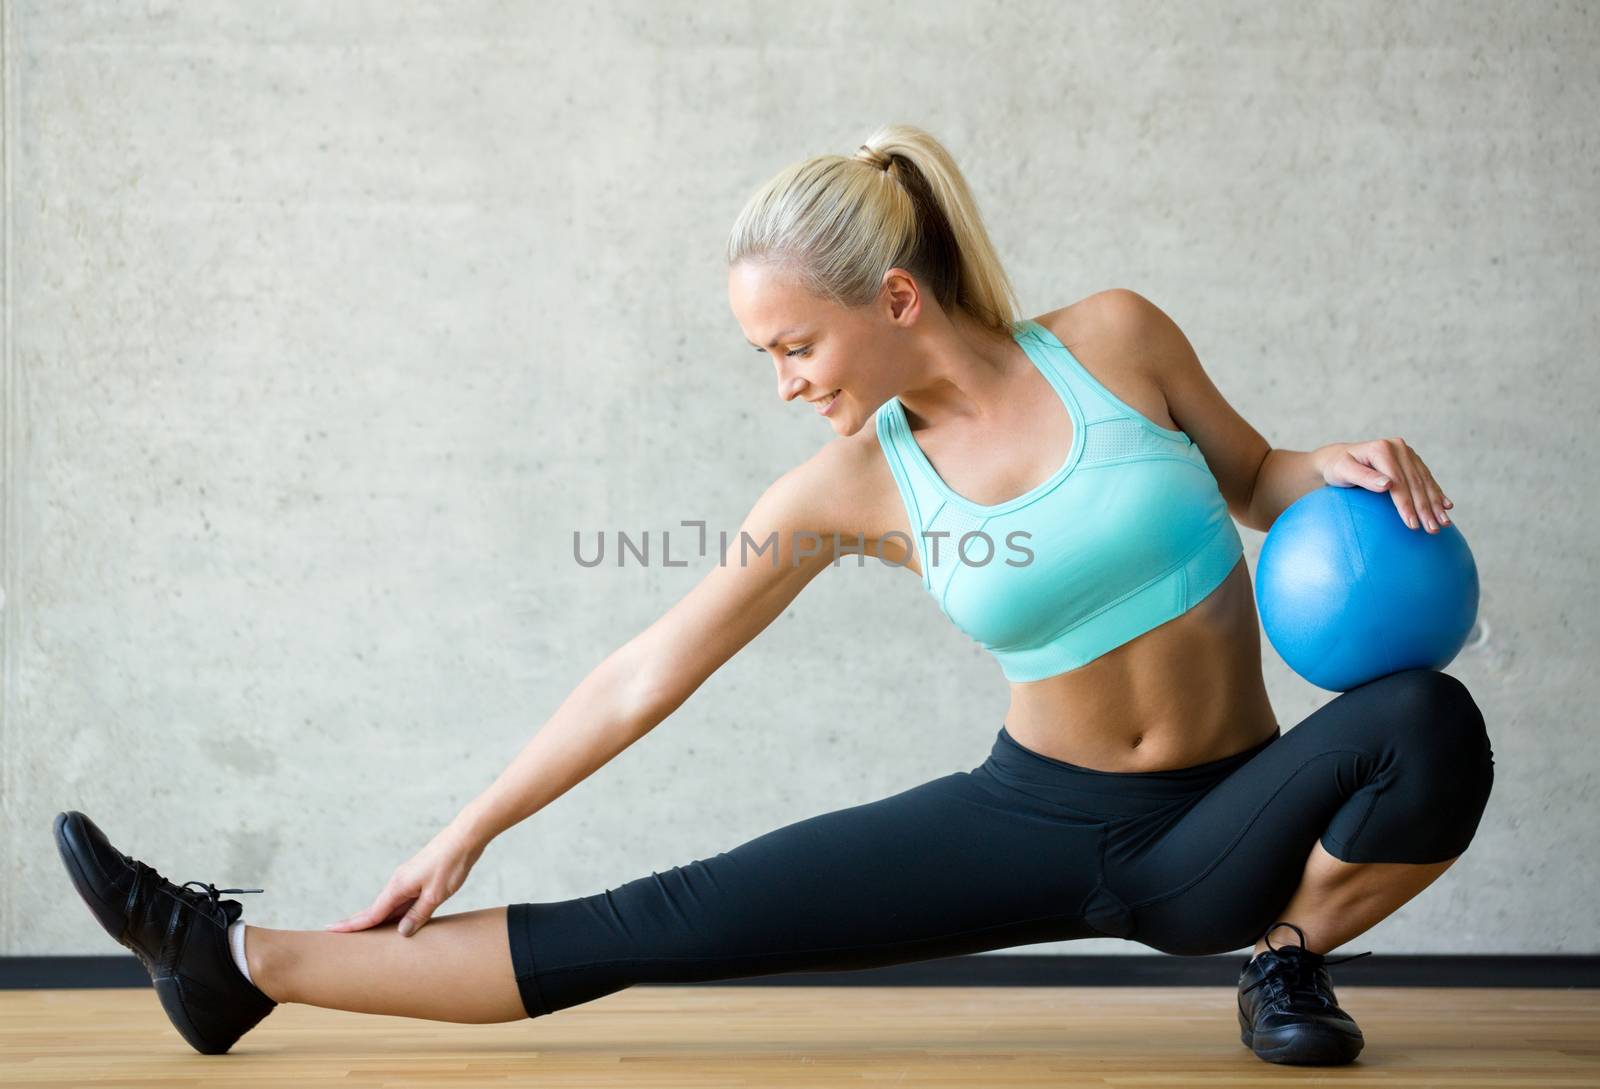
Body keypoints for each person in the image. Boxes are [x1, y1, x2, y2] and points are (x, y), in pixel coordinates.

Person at [54, 123, 1494, 1067]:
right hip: (1033, 816)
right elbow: (648, 666)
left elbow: (1257, 475)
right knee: (661, 918)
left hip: (1224, 830)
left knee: (1429, 723)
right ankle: (233, 958)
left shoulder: (1116, 341)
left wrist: (1341, 465)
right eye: (769, 357)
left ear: (898, 299)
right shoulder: (846, 491)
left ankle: (1285, 958)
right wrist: (471, 824)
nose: (787, 381)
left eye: (794, 345)